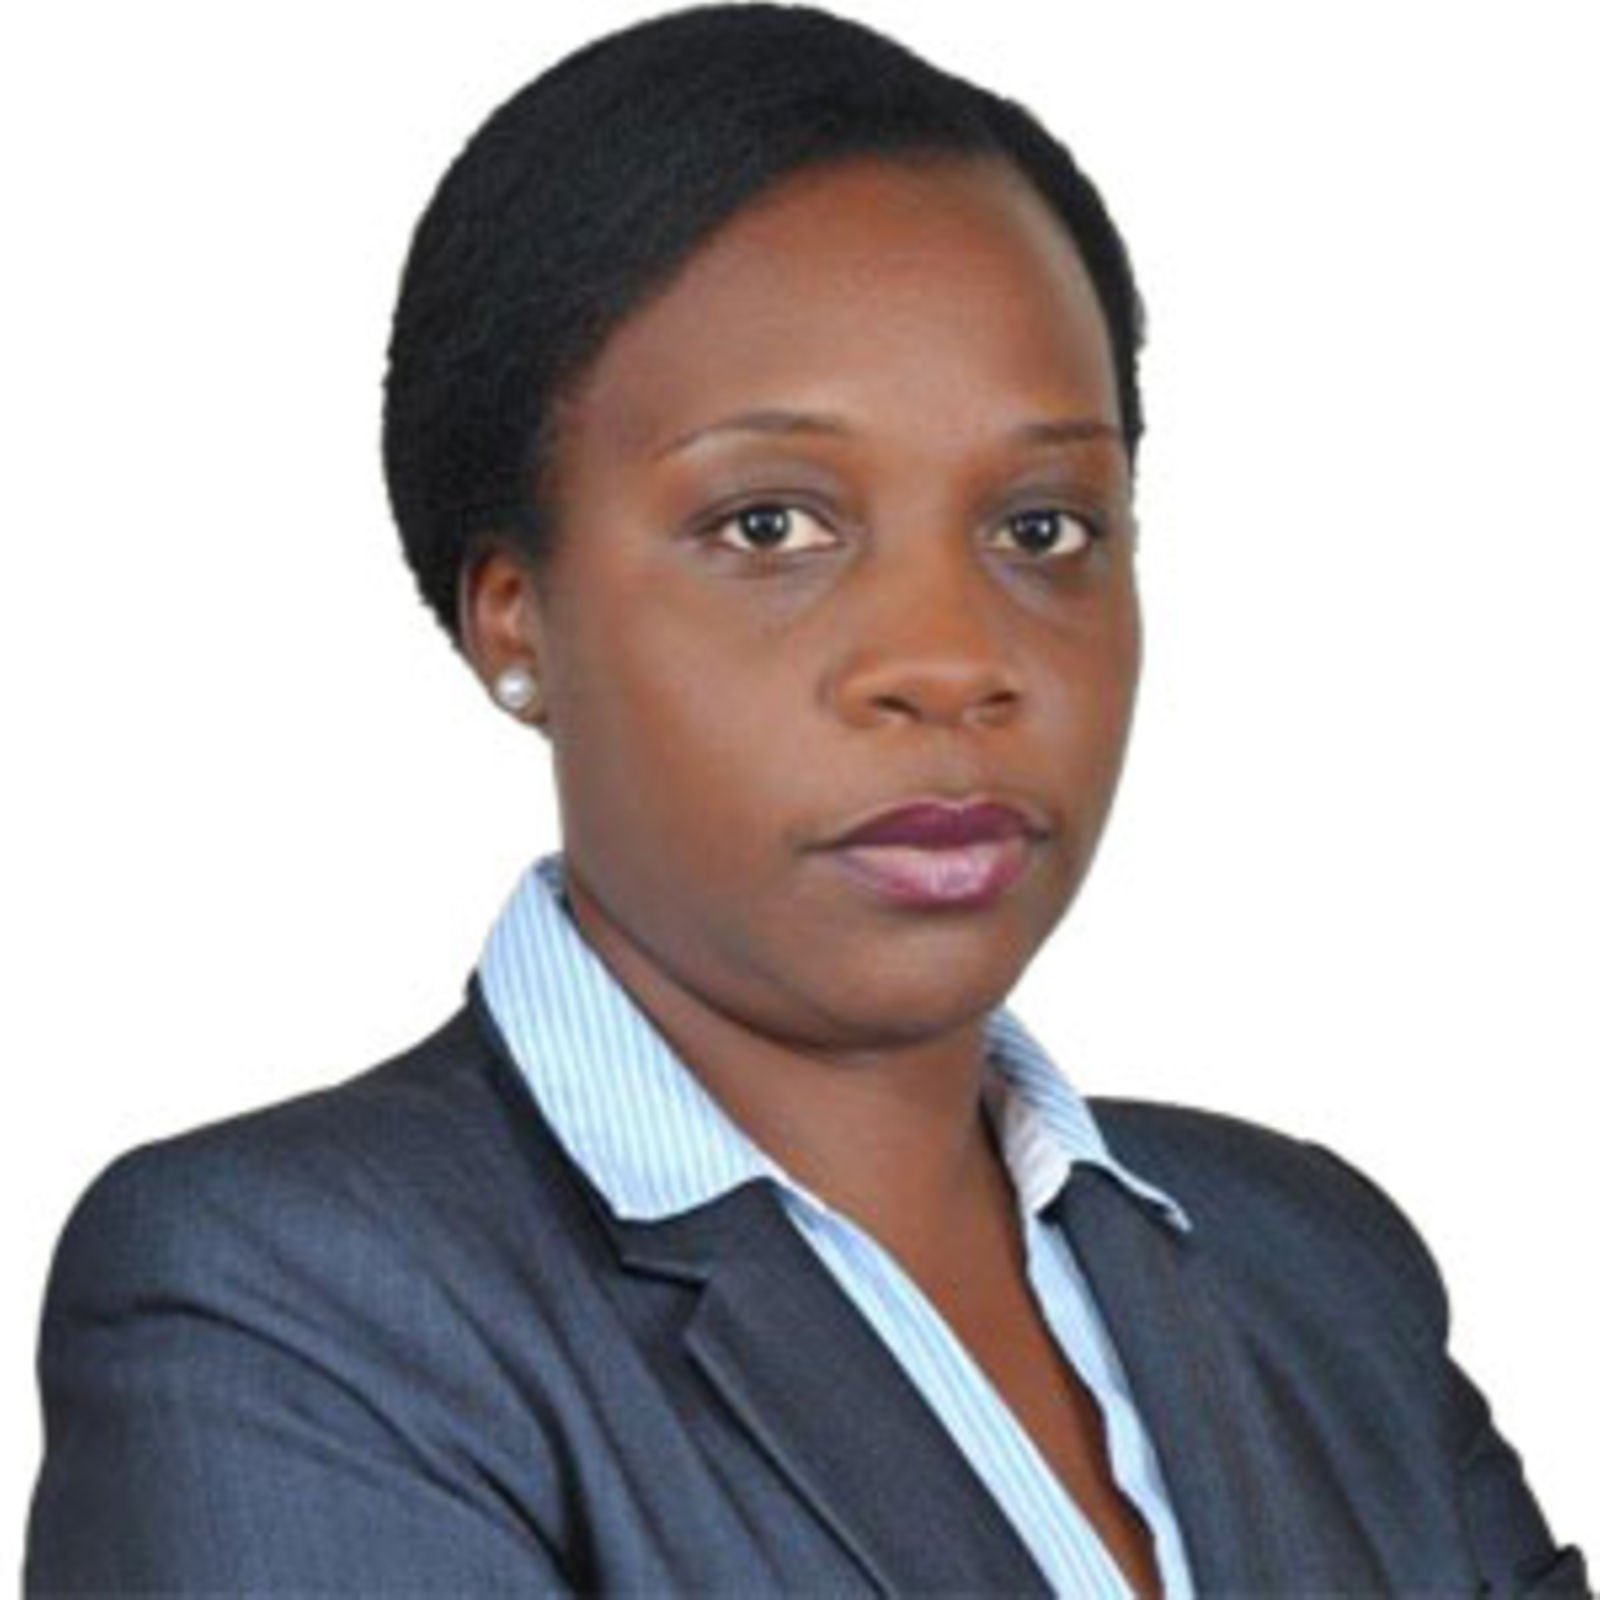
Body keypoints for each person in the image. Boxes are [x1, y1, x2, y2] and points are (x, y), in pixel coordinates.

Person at [23, 4, 1587, 1594]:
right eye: (770, 525)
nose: (950, 661)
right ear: (513, 615)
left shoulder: (1313, 1271)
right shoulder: (293, 1306)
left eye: (1042, 528)